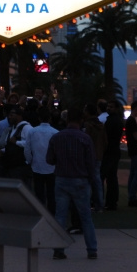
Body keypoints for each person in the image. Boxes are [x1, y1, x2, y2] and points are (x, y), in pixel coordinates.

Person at [47, 109, 98, 260]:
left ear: (66, 120)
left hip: (62, 179)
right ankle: (91, 249)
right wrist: (91, 180)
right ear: (81, 120)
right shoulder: (85, 138)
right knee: (86, 217)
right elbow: (91, 163)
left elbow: (49, 159)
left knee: (60, 216)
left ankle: (58, 249)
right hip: (80, 180)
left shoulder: (57, 137)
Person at [26, 110, 60, 213]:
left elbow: (27, 149)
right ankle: (51, 214)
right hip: (52, 167)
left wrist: (30, 161)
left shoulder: (32, 131)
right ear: (50, 118)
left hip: (37, 165)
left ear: (39, 118)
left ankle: (41, 213)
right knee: (51, 193)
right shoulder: (55, 132)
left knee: (39, 193)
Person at [101, 101, 124, 210]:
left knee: (107, 177)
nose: (108, 108)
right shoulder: (117, 120)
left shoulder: (111, 121)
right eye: (108, 106)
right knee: (112, 177)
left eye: (111, 106)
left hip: (109, 151)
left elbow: (106, 138)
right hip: (114, 151)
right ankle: (112, 201)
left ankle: (108, 201)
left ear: (116, 108)